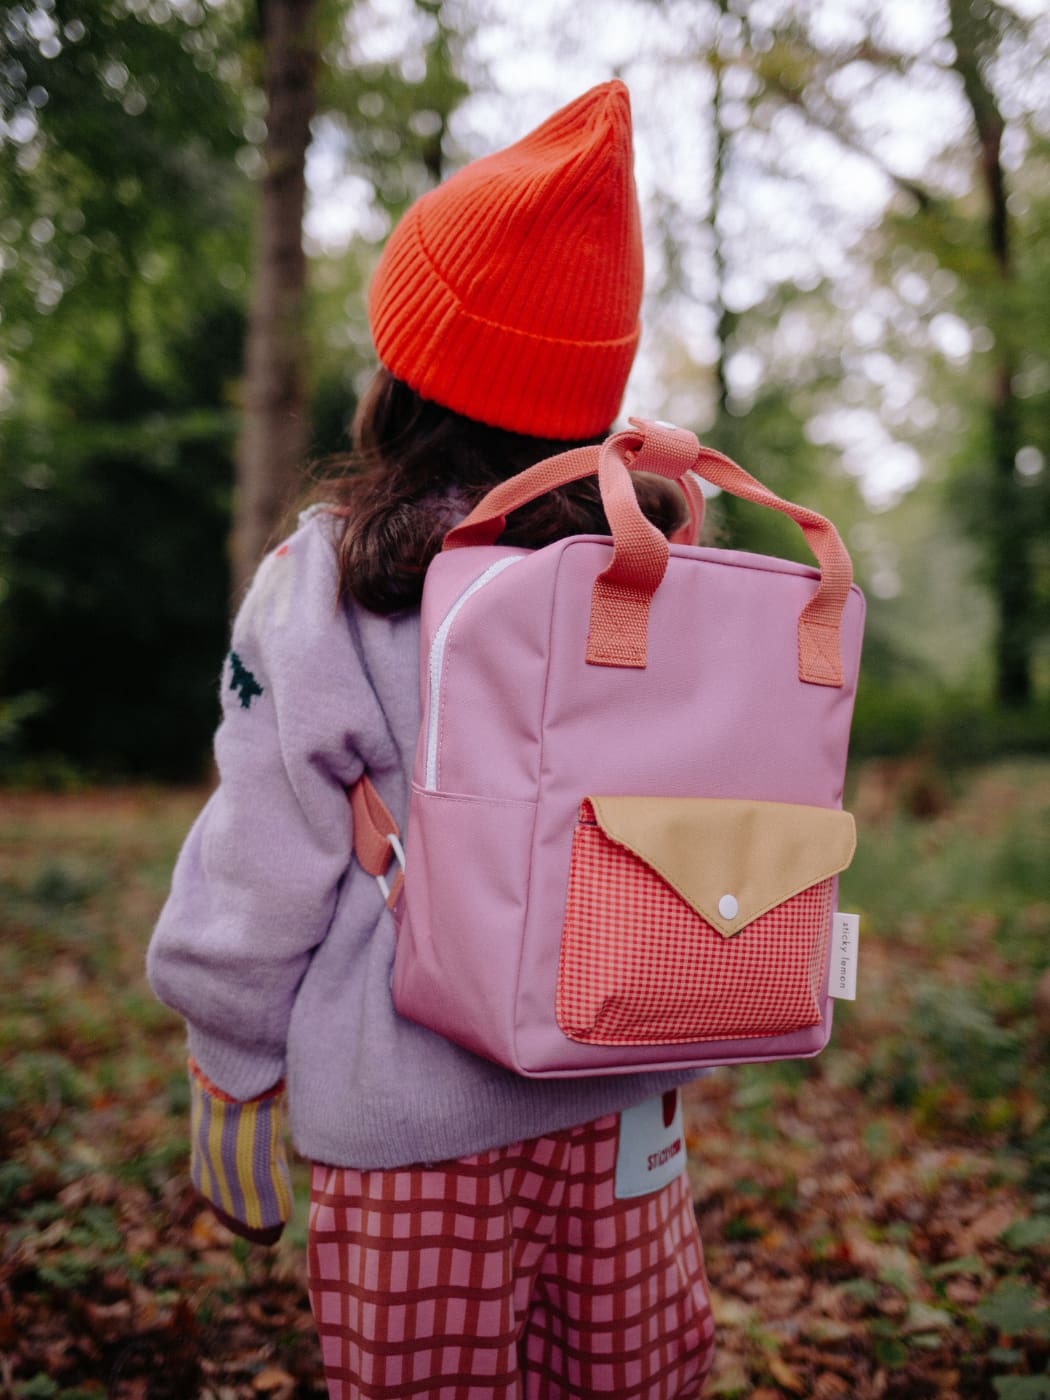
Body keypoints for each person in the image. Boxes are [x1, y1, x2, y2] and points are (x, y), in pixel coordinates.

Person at [148, 80, 715, 1399]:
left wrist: (229, 1060)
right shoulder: (662, 571)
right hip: (623, 1088)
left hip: (405, 1118)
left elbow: (265, 851)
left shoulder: (329, 578)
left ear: (405, 364)